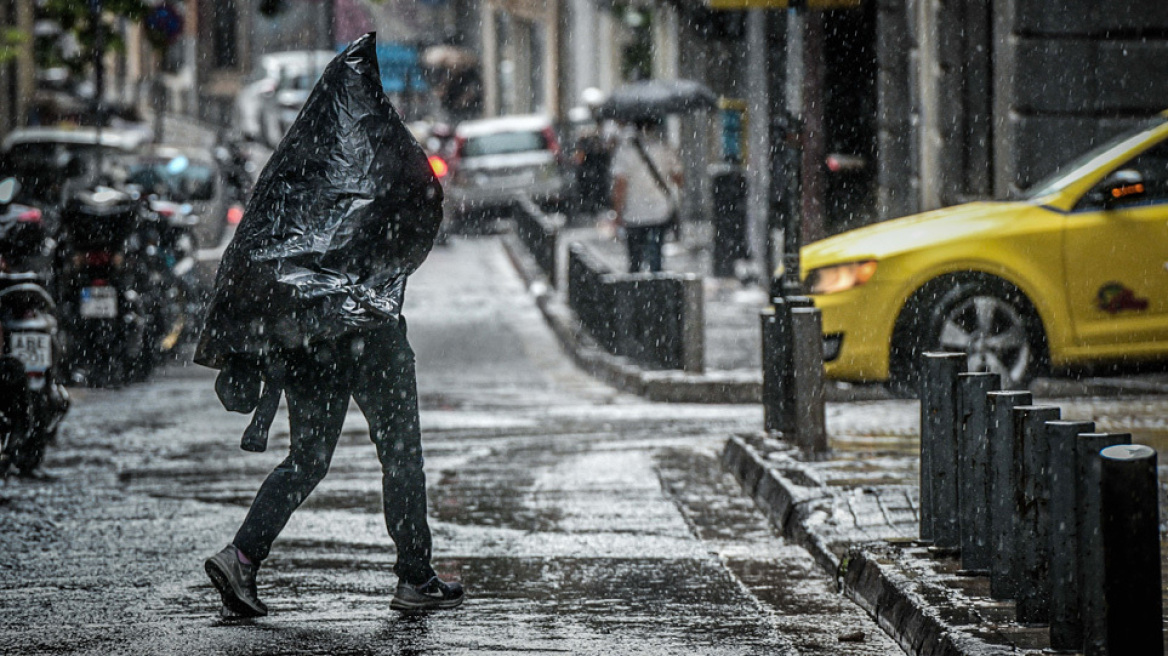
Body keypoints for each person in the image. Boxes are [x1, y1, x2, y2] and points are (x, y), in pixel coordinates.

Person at [196, 33, 462, 618]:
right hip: (368, 331)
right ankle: (414, 577)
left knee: (308, 458)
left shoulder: (294, 166)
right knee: (400, 451)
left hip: (308, 338)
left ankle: (242, 556)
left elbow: (255, 253)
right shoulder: (378, 149)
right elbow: (419, 204)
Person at [610, 116, 683, 273]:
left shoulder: (625, 150)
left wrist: (617, 213)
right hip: (660, 211)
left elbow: (619, 185)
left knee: (635, 262)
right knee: (656, 258)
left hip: (634, 214)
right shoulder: (664, 147)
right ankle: (656, 291)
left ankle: (636, 292)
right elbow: (679, 179)